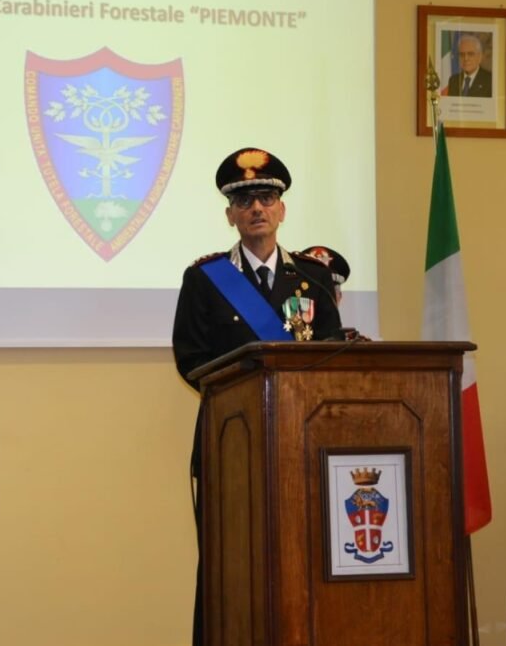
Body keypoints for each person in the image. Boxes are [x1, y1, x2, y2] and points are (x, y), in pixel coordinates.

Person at [171, 148, 342, 646]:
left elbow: (332, 352)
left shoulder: (312, 278)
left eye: (266, 198)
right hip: (232, 443)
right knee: (230, 562)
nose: (257, 209)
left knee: (304, 558)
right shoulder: (204, 280)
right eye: (244, 201)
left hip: (302, 445)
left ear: (281, 209)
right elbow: (191, 359)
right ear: (230, 215)